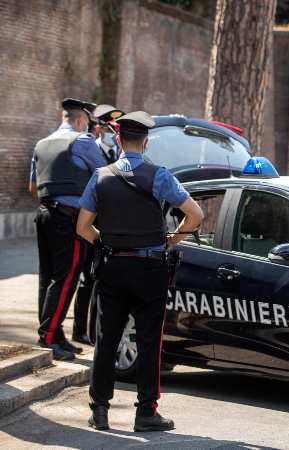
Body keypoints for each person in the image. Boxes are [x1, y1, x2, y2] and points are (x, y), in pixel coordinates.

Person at [77, 111, 203, 432]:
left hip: (113, 265)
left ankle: (100, 410)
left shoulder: (100, 176)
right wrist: (172, 241)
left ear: (118, 140)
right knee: (149, 340)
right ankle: (146, 412)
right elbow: (195, 214)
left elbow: (82, 227)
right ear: (145, 143)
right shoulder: (159, 176)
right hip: (150, 268)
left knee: (107, 339)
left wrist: (105, 241)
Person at [30, 98, 108, 360]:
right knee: (65, 279)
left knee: (48, 277)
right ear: (79, 121)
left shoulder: (41, 144)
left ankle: (54, 332)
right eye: (86, 123)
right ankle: (49, 336)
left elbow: (33, 187)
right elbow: (105, 173)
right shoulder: (82, 141)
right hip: (69, 219)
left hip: (44, 214)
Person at [71, 104, 126, 346]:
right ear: (99, 127)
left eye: (115, 130)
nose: (113, 134)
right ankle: (79, 328)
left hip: (110, 226)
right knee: (86, 279)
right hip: (90, 225)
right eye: (109, 128)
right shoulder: (88, 150)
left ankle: (97, 329)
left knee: (101, 279)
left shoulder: (116, 154)